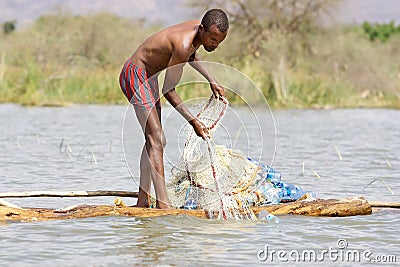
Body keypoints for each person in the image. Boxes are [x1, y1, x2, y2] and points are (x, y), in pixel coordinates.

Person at [119, 9, 229, 209]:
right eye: (212, 39)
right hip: (135, 75)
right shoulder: (183, 43)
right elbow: (169, 91)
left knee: (155, 139)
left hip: (149, 77)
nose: (214, 44)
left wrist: (211, 80)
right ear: (202, 30)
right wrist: (194, 121)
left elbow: (191, 55)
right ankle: (163, 205)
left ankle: (143, 201)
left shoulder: (198, 30)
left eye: (219, 41)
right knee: (157, 139)